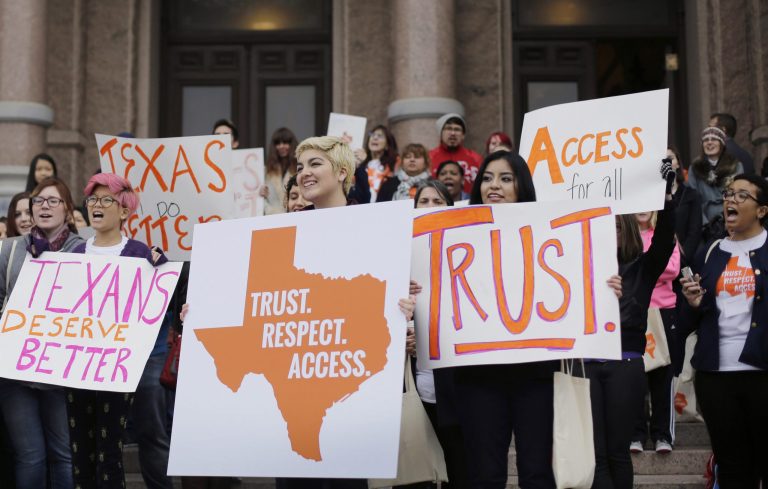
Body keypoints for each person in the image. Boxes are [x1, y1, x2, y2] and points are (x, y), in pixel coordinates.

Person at [269, 135, 414, 489]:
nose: (304, 173)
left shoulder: (375, 228)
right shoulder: (282, 231)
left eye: (315, 164)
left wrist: (403, 311)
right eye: (301, 166)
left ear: (343, 172)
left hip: (350, 389)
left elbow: (385, 293)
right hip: (295, 387)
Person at [451, 151, 557, 488]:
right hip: (478, 373)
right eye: (487, 177)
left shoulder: (549, 231)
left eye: (506, 178)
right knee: (484, 474)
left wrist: (602, 288)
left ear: (521, 186)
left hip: (534, 371)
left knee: (537, 472)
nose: (494, 185)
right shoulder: (455, 234)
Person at [66, 173, 167, 489]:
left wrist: (160, 273)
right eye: (93, 199)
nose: (97, 205)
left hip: (116, 368)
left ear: (124, 211)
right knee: (81, 449)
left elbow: (155, 309)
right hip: (77, 366)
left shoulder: (140, 254)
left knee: (109, 450)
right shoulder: (73, 255)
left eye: (106, 199)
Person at [586, 162, 676, 489]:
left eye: (615, 227)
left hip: (625, 362)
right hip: (587, 365)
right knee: (594, 456)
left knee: (618, 454)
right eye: (601, 226)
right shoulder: (578, 269)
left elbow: (665, 241)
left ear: (626, 230)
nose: (608, 233)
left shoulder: (642, 268)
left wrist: (666, 195)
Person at [680, 173, 768, 488]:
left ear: (762, 210)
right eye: (729, 193)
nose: (731, 199)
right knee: (731, 466)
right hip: (715, 374)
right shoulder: (712, 250)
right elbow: (696, 314)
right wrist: (694, 302)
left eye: (743, 195)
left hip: (761, 373)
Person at [0, 177, 82, 489]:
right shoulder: (9, 251)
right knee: (30, 455)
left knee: (62, 454)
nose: (43, 207)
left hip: (60, 374)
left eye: (52, 201)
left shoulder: (85, 253)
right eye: (38, 201)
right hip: (14, 373)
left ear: (68, 209)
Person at [409, 181, 469, 489]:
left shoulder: (464, 254)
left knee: (457, 464)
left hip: (452, 382)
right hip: (413, 379)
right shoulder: (399, 252)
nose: (430, 205)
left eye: (437, 200)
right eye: (424, 200)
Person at [630, 210, 681, 454]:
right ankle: (635, 434)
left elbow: (673, 268)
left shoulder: (665, 234)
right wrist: (650, 267)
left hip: (663, 311)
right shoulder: (625, 236)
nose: (643, 208)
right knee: (634, 376)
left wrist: (641, 270)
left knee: (663, 374)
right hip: (634, 311)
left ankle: (663, 435)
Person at [687, 127, 743, 231]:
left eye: (714, 139)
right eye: (706, 140)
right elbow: (693, 198)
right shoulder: (695, 168)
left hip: (730, 219)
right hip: (704, 221)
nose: (709, 142)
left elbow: (739, 195)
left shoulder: (735, 166)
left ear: (721, 144)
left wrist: (729, 218)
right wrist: (704, 224)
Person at [429, 113, 482, 195]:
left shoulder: (476, 159)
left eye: (457, 129)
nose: (453, 133)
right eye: (448, 128)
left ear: (463, 135)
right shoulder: (429, 158)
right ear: (440, 133)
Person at [667, 146, 703, 266]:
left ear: (677, 164)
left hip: (684, 261)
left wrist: (682, 259)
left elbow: (695, 231)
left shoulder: (691, 195)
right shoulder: (653, 197)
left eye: (670, 158)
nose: (666, 162)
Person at [351, 125, 399, 203]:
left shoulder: (393, 164)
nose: (375, 138)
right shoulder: (359, 163)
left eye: (380, 136)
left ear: (387, 145)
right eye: (372, 135)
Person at [262, 127, 299, 215]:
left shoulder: (300, 168)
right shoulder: (266, 171)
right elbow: (262, 200)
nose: (281, 146)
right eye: (278, 143)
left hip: (296, 216)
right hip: (271, 218)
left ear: (292, 144)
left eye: (285, 142)